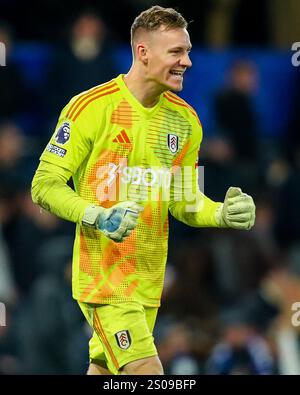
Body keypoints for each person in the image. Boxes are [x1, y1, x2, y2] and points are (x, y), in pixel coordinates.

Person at [31, 6, 255, 375]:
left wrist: (220, 213)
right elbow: (44, 185)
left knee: (106, 373)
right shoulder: (91, 108)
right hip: (104, 282)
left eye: (189, 51)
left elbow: (185, 202)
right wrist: (98, 215)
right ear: (143, 52)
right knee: (148, 375)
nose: (188, 62)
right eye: (176, 52)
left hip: (148, 284)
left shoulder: (185, 121)